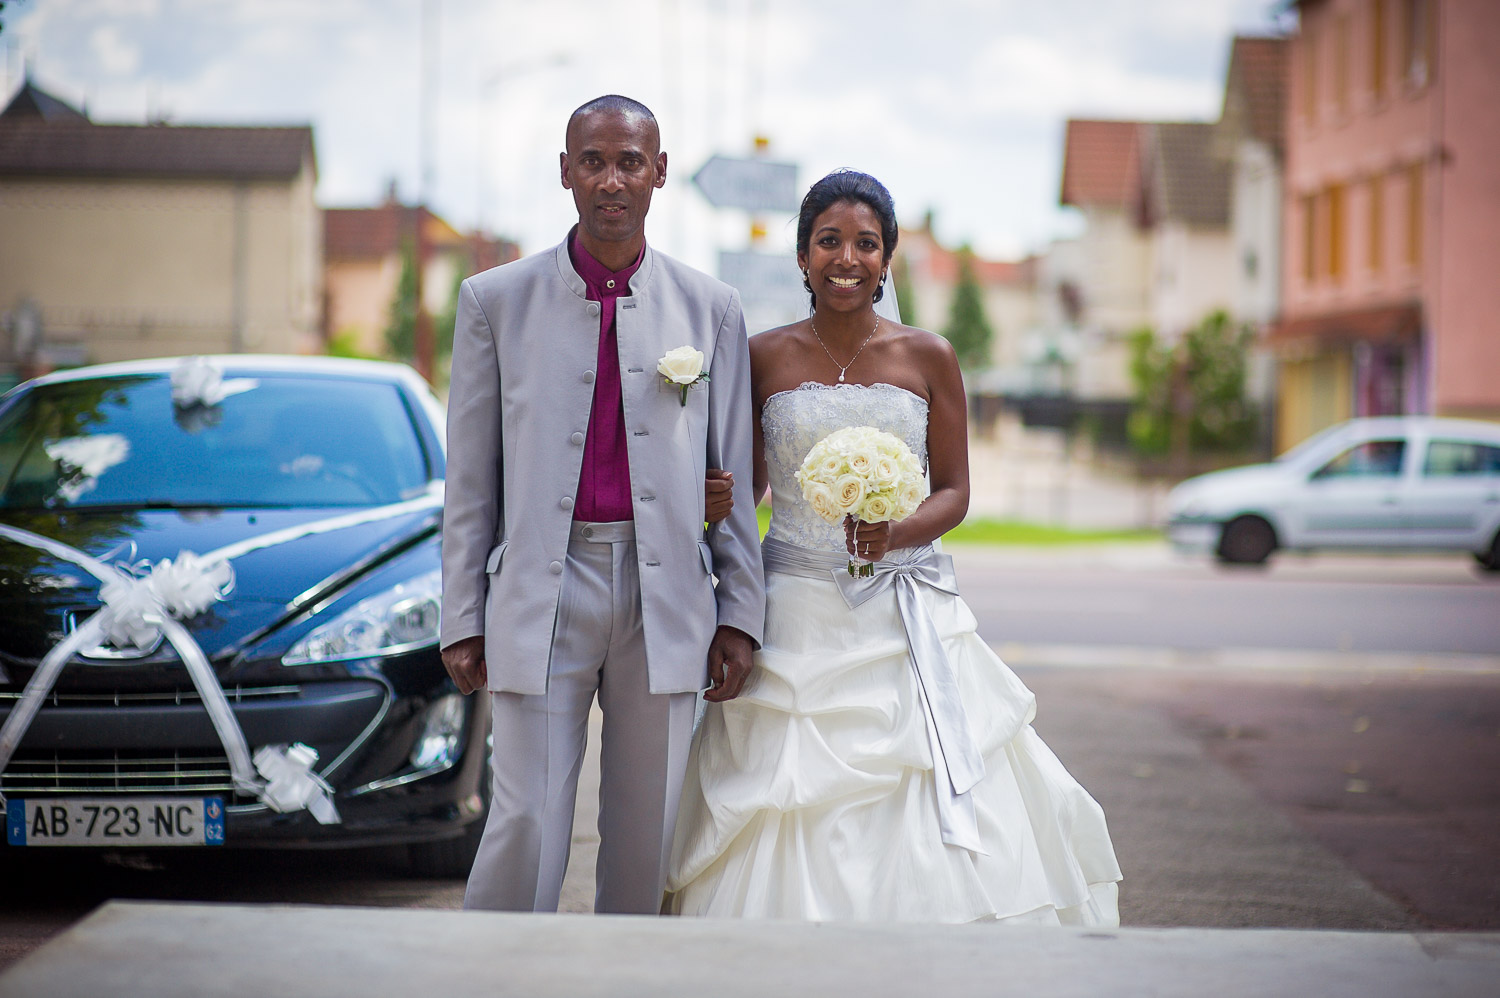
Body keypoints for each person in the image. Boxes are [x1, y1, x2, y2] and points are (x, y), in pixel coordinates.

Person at [669, 170, 1122, 923]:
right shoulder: (762, 356)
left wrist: (896, 532)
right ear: (803, 256)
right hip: (795, 612)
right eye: (829, 241)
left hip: (899, 610)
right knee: (782, 789)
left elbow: (954, 491)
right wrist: (711, 504)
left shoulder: (929, 356)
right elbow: (748, 489)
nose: (847, 257)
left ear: (888, 260)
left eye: (866, 244)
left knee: (924, 782)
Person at [440, 95, 765, 914]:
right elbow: (470, 482)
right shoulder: (494, 302)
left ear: (659, 171)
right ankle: (500, 977)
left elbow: (732, 473)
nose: (611, 179)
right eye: (593, 160)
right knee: (524, 822)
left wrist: (740, 613)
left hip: (667, 593)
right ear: (565, 172)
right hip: (541, 586)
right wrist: (462, 615)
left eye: (630, 161)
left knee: (648, 825)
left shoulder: (712, 307)